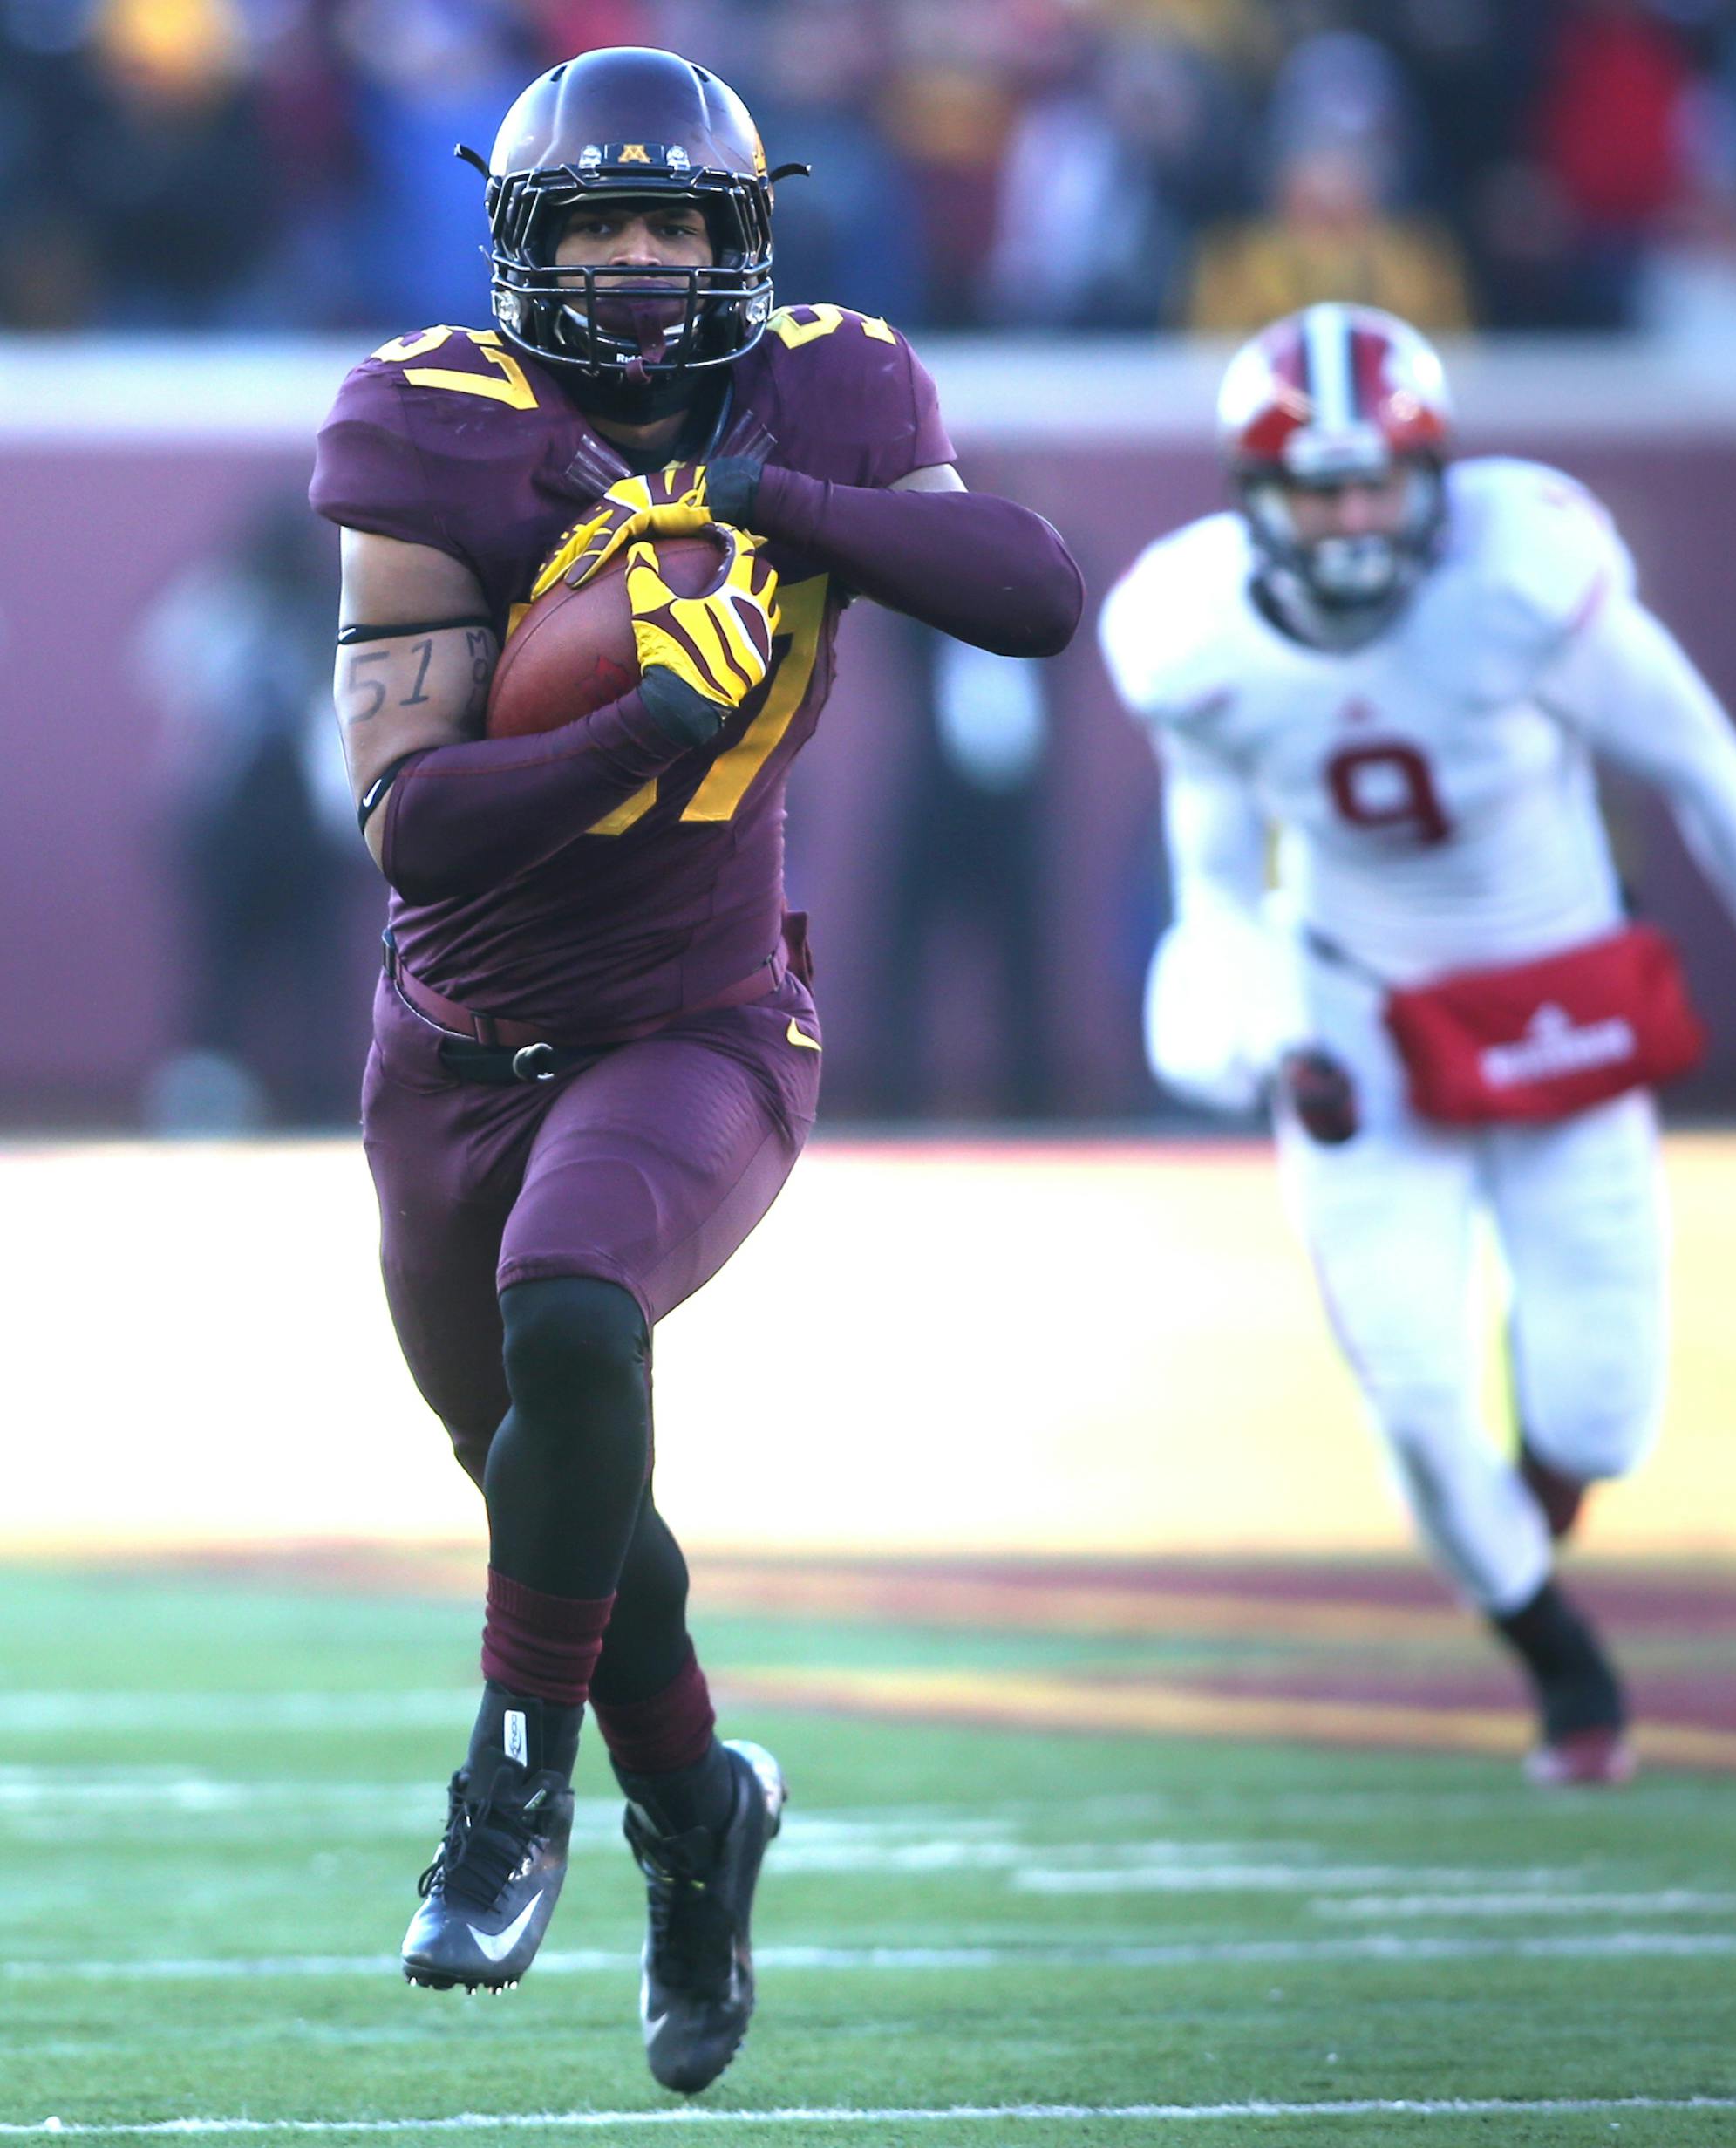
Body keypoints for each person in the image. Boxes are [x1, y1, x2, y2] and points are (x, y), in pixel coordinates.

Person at [309, 45, 1080, 2095]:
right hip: (454, 1049)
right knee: (551, 1473)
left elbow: (1032, 594)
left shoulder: (827, 391)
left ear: (746, 241)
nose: (642, 264)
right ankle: (693, 1810)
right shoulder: (435, 425)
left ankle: (508, 1792)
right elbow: (412, 819)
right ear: (524, 249)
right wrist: (642, 721)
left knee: (576, 1312)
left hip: (703, 1019)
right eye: (600, 226)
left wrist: (760, 502)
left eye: (676, 223)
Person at [1099, 303, 1736, 1788]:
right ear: (1257, 498)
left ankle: (1527, 1524)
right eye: (1320, 487)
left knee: (1597, 1413)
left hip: (1557, 1001)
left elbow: (1696, 759)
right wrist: (1269, 1049)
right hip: (1360, 1019)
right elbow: (1212, 899)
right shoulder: (1194, 640)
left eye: (1374, 480)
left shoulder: (1525, 580)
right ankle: (1557, 1660)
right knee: (1413, 1381)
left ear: (1434, 476)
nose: (1351, 516)